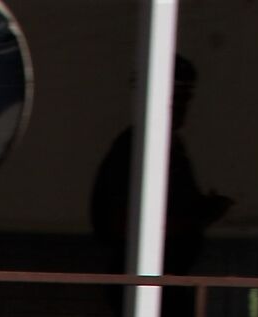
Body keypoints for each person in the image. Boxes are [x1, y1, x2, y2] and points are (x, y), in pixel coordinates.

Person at [89, 56, 232, 285]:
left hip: (168, 275)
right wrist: (196, 218)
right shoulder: (136, 147)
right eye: (177, 98)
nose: (183, 108)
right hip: (146, 278)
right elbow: (123, 221)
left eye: (186, 99)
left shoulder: (171, 145)